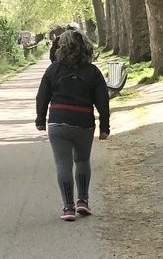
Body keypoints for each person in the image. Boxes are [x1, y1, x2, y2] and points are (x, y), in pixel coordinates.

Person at [35, 29, 110, 221]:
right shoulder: (92, 71)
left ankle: (68, 208)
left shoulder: (53, 69)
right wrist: (104, 127)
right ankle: (83, 201)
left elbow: (42, 96)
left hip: (58, 122)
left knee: (63, 163)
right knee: (82, 161)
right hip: (83, 122)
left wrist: (40, 120)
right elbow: (102, 100)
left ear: (61, 47)